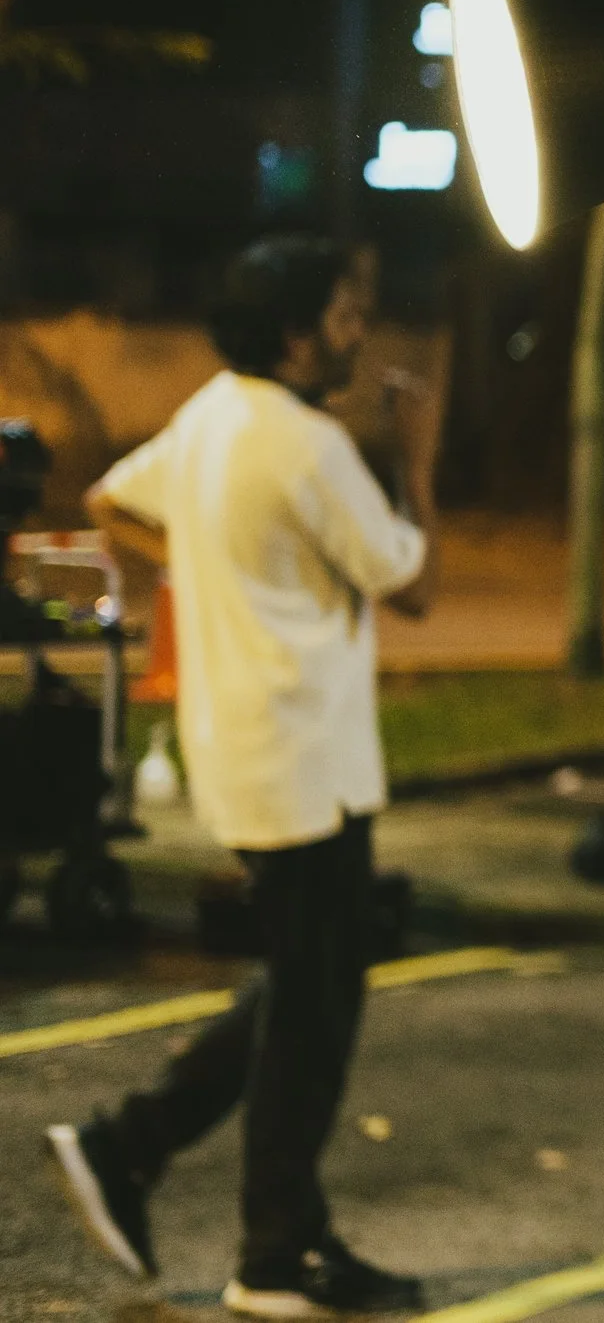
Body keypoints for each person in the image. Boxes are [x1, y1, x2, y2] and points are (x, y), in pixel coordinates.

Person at [46, 236, 436, 1317]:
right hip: (303, 759)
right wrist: (420, 458)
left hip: (257, 748)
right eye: (349, 314)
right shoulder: (308, 444)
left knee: (314, 981)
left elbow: (108, 497)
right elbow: (414, 584)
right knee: (316, 1006)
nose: (363, 331)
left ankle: (140, 1150)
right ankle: (268, 1254)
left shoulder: (215, 414)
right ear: (299, 331)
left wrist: (206, 564)